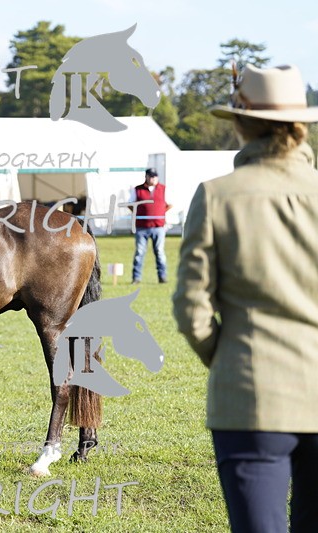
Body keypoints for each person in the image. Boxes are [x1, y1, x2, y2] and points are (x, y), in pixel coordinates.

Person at [173, 64, 318, 533]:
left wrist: (227, 358)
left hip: (250, 395)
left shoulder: (218, 196)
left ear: (239, 123)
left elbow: (191, 306)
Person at [127, 167, 172, 283]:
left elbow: (170, 204)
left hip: (158, 227)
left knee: (160, 252)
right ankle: (136, 278)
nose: (153, 178)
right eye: (151, 176)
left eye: (155, 176)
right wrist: (139, 213)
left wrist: (161, 213)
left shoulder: (163, 189)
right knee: (139, 252)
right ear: (146, 177)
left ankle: (162, 277)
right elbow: (130, 204)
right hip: (142, 227)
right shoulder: (137, 189)